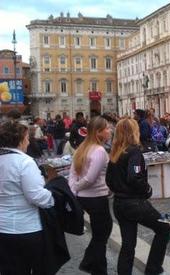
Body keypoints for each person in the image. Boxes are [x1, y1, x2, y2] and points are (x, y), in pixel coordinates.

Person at [106, 118, 170, 275]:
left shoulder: (115, 153)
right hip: (133, 203)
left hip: (119, 203)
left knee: (128, 244)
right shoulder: (133, 151)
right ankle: (153, 268)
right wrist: (147, 190)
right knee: (164, 229)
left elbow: (108, 180)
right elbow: (134, 178)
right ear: (133, 132)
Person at [0, 121, 55, 274]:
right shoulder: (24, 162)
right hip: (25, 228)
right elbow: (37, 196)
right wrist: (52, 196)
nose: (29, 141)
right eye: (27, 138)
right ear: (20, 140)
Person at [68, 116, 113, 274]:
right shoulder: (99, 151)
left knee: (99, 234)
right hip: (96, 198)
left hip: (85, 198)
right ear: (99, 132)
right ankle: (92, 265)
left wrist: (74, 190)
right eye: (107, 128)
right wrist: (77, 188)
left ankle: (94, 266)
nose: (110, 130)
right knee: (102, 234)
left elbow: (72, 174)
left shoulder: (83, 147)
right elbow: (89, 179)